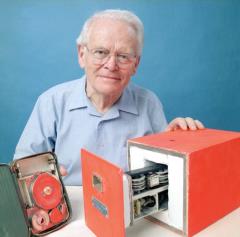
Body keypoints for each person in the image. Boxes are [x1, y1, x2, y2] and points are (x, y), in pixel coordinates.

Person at [14, 9, 204, 185]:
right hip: (66, 212)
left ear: (135, 64)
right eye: (101, 52)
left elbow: (166, 176)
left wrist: (180, 144)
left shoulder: (149, 104)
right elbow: (21, 170)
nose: (111, 65)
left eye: (123, 56)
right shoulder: (52, 102)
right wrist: (40, 176)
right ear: (82, 54)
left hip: (129, 212)